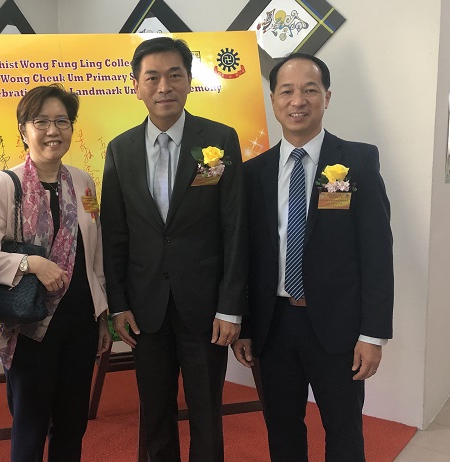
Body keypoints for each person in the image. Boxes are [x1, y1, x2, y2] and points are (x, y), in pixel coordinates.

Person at [232, 53, 393, 461]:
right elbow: (247, 257)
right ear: (273, 100)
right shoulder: (254, 173)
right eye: (286, 91)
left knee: (344, 428)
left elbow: (377, 253)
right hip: (274, 326)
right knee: (282, 428)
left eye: (309, 90)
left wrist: (372, 335)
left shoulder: (357, 162)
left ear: (327, 97)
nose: (297, 100)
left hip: (338, 328)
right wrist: (246, 326)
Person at [101, 37, 247, 461]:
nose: (164, 86)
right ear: (137, 86)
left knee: (206, 410)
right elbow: (115, 235)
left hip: (205, 307)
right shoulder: (121, 149)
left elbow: (235, 228)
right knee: (154, 412)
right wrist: (118, 304)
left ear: (188, 80)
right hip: (145, 307)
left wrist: (230, 308)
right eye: (152, 78)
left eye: (174, 75)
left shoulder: (219, 139)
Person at [0, 84, 111, 462]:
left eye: (62, 121)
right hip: (31, 327)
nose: (52, 130)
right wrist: (31, 263)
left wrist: (101, 317)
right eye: (41, 121)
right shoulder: (4, 184)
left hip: (80, 324)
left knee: (73, 425)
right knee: (30, 428)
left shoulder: (84, 182)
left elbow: (94, 254)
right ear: (23, 131)